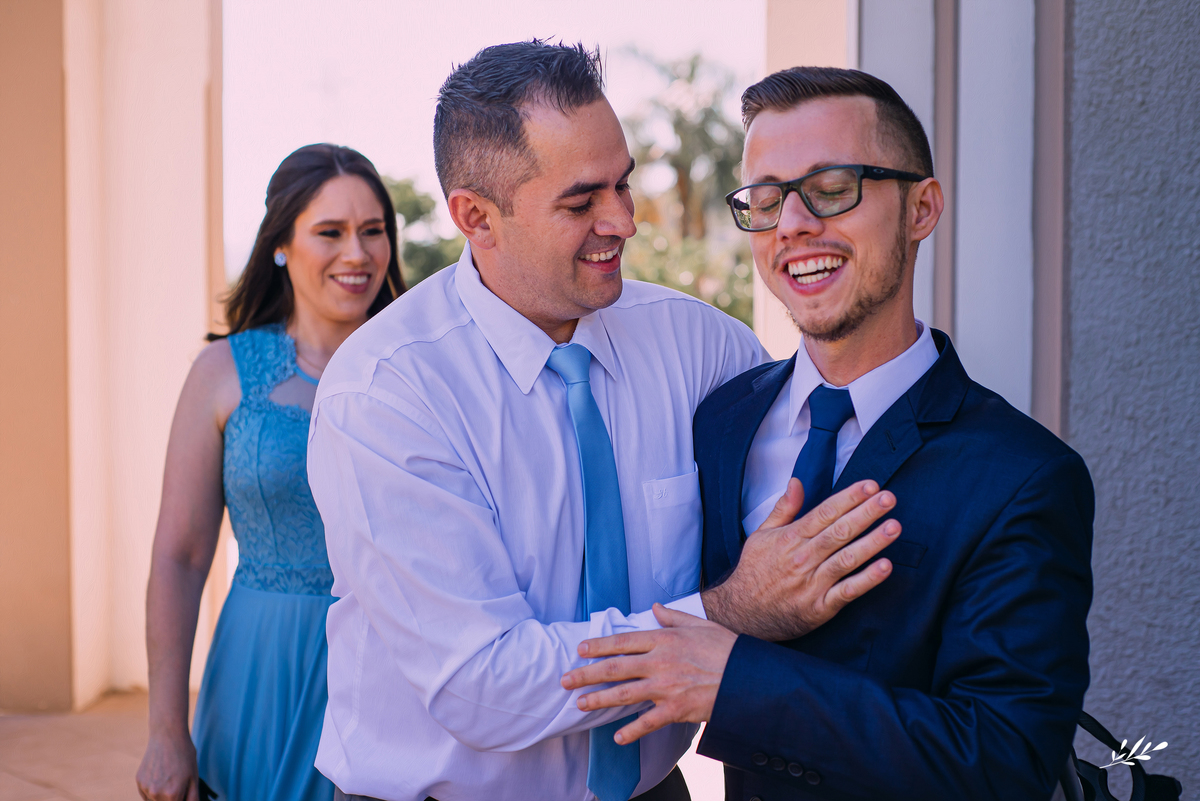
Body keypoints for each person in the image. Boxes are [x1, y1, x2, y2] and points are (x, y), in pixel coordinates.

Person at [307, 43, 900, 801]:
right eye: (581, 202)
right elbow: (483, 683)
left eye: (623, 183)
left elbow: (806, 507)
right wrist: (727, 611)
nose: (622, 221)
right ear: (476, 217)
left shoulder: (702, 346)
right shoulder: (386, 394)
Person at [563, 67, 1094, 801]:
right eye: (766, 199)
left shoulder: (1024, 475)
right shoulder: (720, 421)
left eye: (833, 188)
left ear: (921, 208)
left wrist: (737, 683)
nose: (792, 225)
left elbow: (1006, 759)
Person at [136, 144, 406, 801]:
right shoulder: (222, 373)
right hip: (262, 671)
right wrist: (165, 731)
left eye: (373, 230)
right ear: (281, 244)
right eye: (330, 232)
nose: (357, 253)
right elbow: (180, 557)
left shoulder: (418, 368)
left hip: (393, 670)